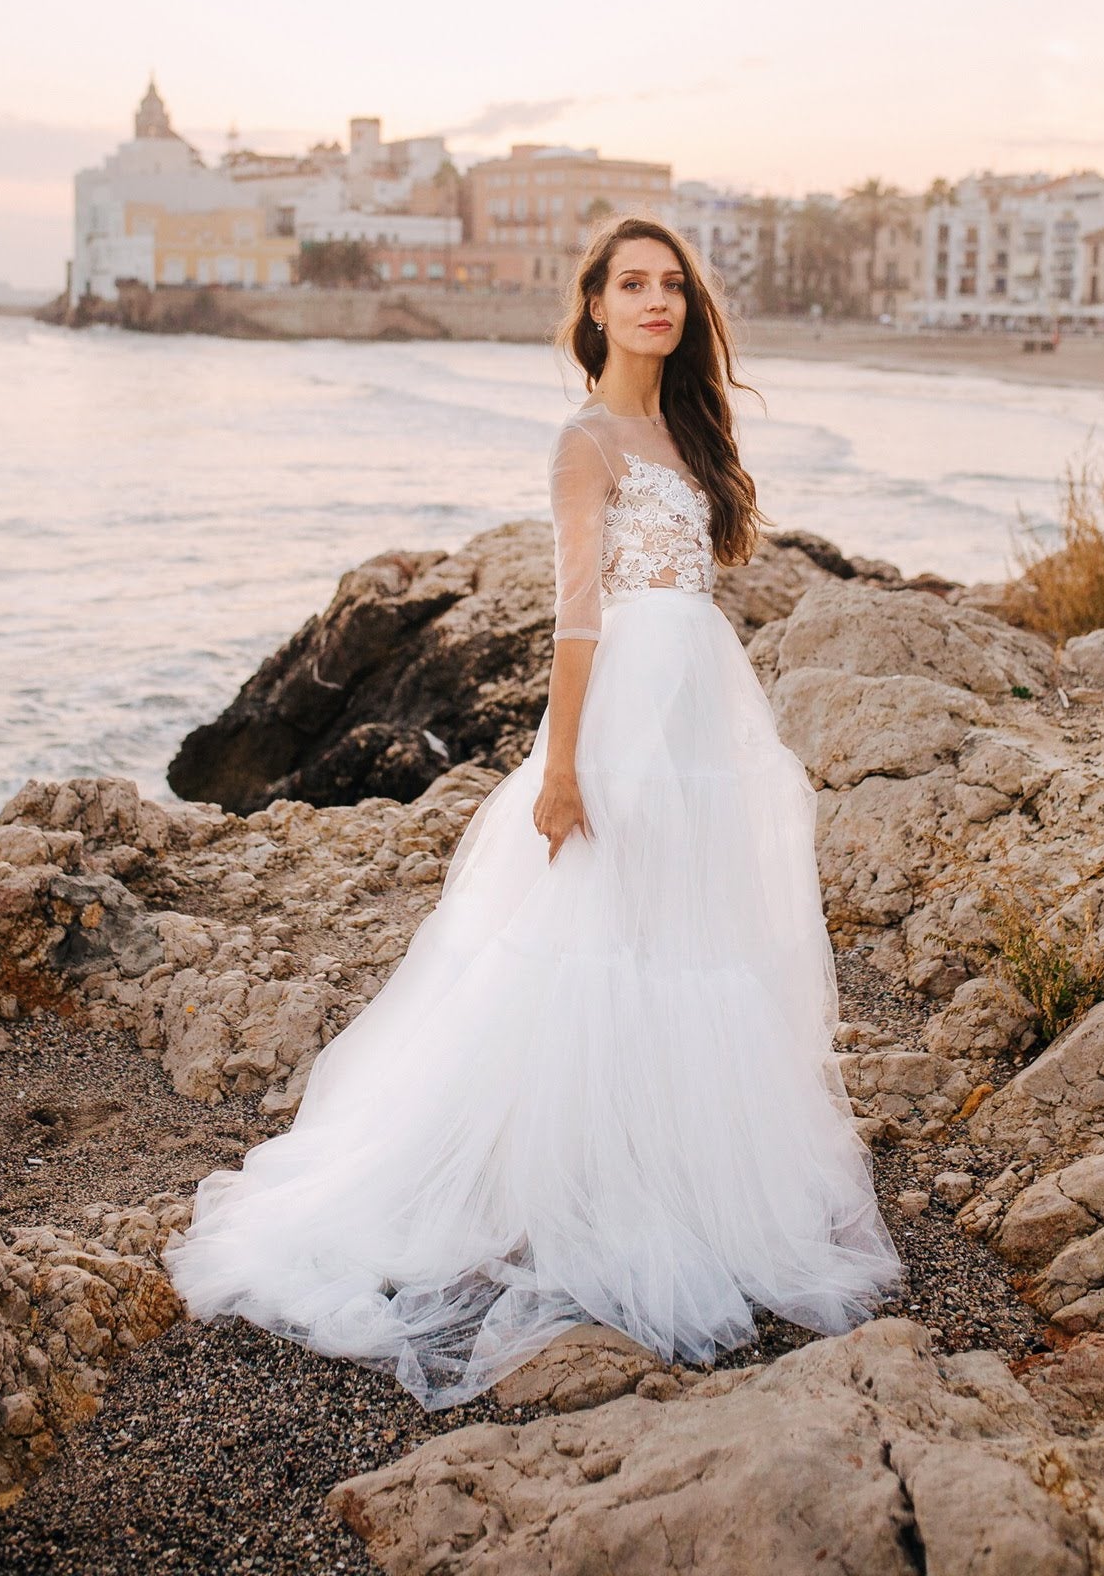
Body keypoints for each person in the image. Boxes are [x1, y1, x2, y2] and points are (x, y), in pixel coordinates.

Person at [162, 217, 902, 1409]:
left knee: (684, 934)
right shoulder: (583, 440)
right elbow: (576, 613)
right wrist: (560, 768)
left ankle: (665, 1163)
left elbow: (687, 586)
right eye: (632, 284)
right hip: (621, 709)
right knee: (589, 937)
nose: (656, 300)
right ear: (594, 307)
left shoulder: (688, 430)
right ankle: (553, 1176)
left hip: (696, 702)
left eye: (671, 284)